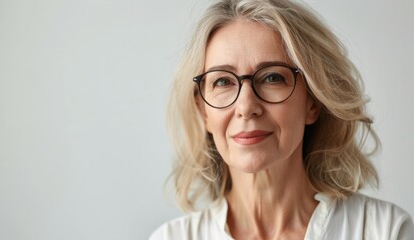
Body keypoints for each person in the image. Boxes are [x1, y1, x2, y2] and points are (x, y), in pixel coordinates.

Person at [150, 0, 414, 239]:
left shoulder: (385, 230)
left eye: (272, 77)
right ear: (204, 111)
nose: (246, 106)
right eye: (223, 81)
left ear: (313, 101)